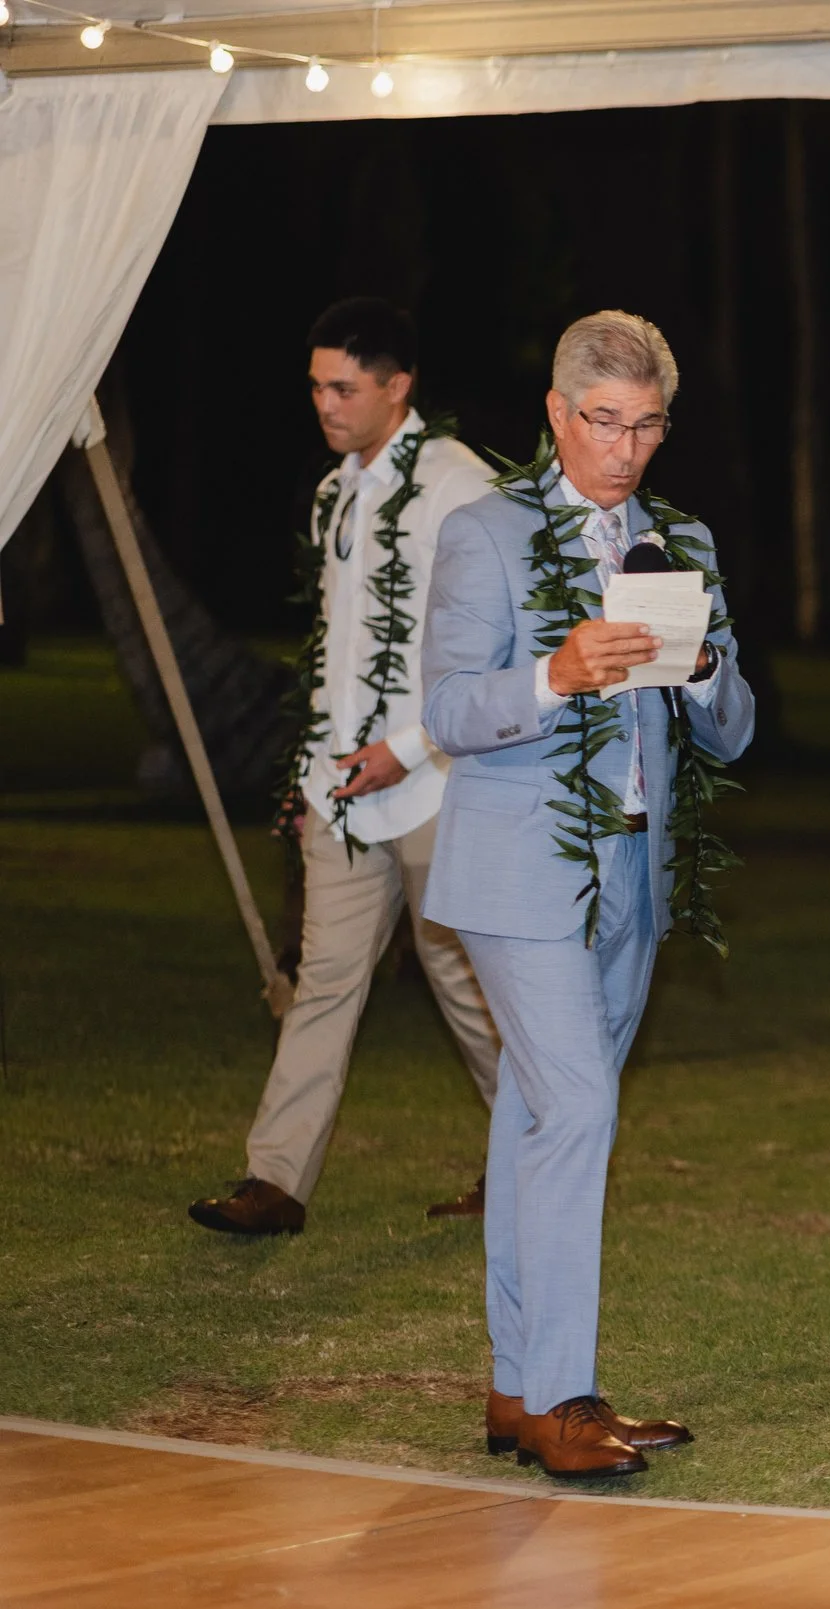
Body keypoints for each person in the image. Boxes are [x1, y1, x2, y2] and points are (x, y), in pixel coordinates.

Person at [421, 310, 754, 1480]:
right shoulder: (489, 536)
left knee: (534, 1119)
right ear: (557, 415)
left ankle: (518, 1393)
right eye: (602, 423)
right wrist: (554, 674)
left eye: (645, 426)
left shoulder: (680, 540)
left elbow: (733, 732)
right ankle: (567, 1398)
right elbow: (450, 712)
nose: (623, 449)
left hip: (631, 869)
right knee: (577, 1113)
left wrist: (706, 666)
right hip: (519, 871)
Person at [189, 298, 501, 1239]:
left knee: (468, 984)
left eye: (344, 387)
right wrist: (311, 766)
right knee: (324, 978)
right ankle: (274, 1181)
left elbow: (489, 651)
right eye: (317, 386)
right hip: (343, 789)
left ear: (398, 386)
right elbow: (336, 646)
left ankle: (536, 1161)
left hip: (440, 781)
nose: (325, 403)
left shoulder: (462, 486)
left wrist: (409, 747)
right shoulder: (335, 494)